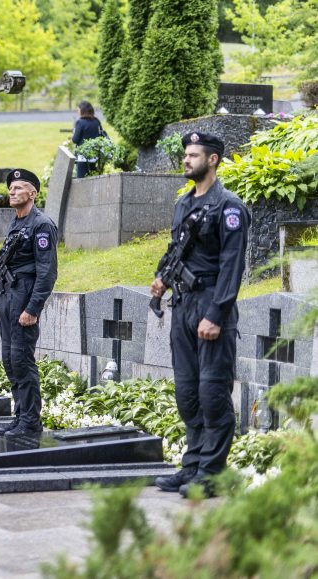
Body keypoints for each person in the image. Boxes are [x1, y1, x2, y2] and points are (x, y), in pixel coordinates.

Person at [151, 132, 250, 499]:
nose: (186, 160)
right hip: (183, 305)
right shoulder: (183, 205)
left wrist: (216, 314)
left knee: (212, 393)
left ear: (213, 160)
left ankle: (211, 473)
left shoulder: (229, 207)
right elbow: (174, 247)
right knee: (188, 393)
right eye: (185, 154)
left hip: (211, 305)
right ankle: (192, 465)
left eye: (193, 155)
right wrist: (162, 276)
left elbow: (231, 265)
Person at [0, 169, 58, 436]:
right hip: (8, 296)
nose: (12, 191)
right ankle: (20, 416)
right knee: (9, 360)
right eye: (10, 188)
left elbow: (47, 271)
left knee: (21, 360)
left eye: (18, 187)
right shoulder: (16, 222)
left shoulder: (41, 225)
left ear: (33, 193)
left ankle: (30, 422)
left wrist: (33, 308)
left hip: (24, 299)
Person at [71, 100, 106, 177]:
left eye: (78, 109)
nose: (77, 111)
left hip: (82, 157)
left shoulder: (80, 122)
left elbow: (75, 140)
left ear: (82, 110)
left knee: (81, 179)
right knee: (93, 178)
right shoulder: (96, 121)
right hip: (94, 156)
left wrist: (73, 132)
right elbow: (100, 136)